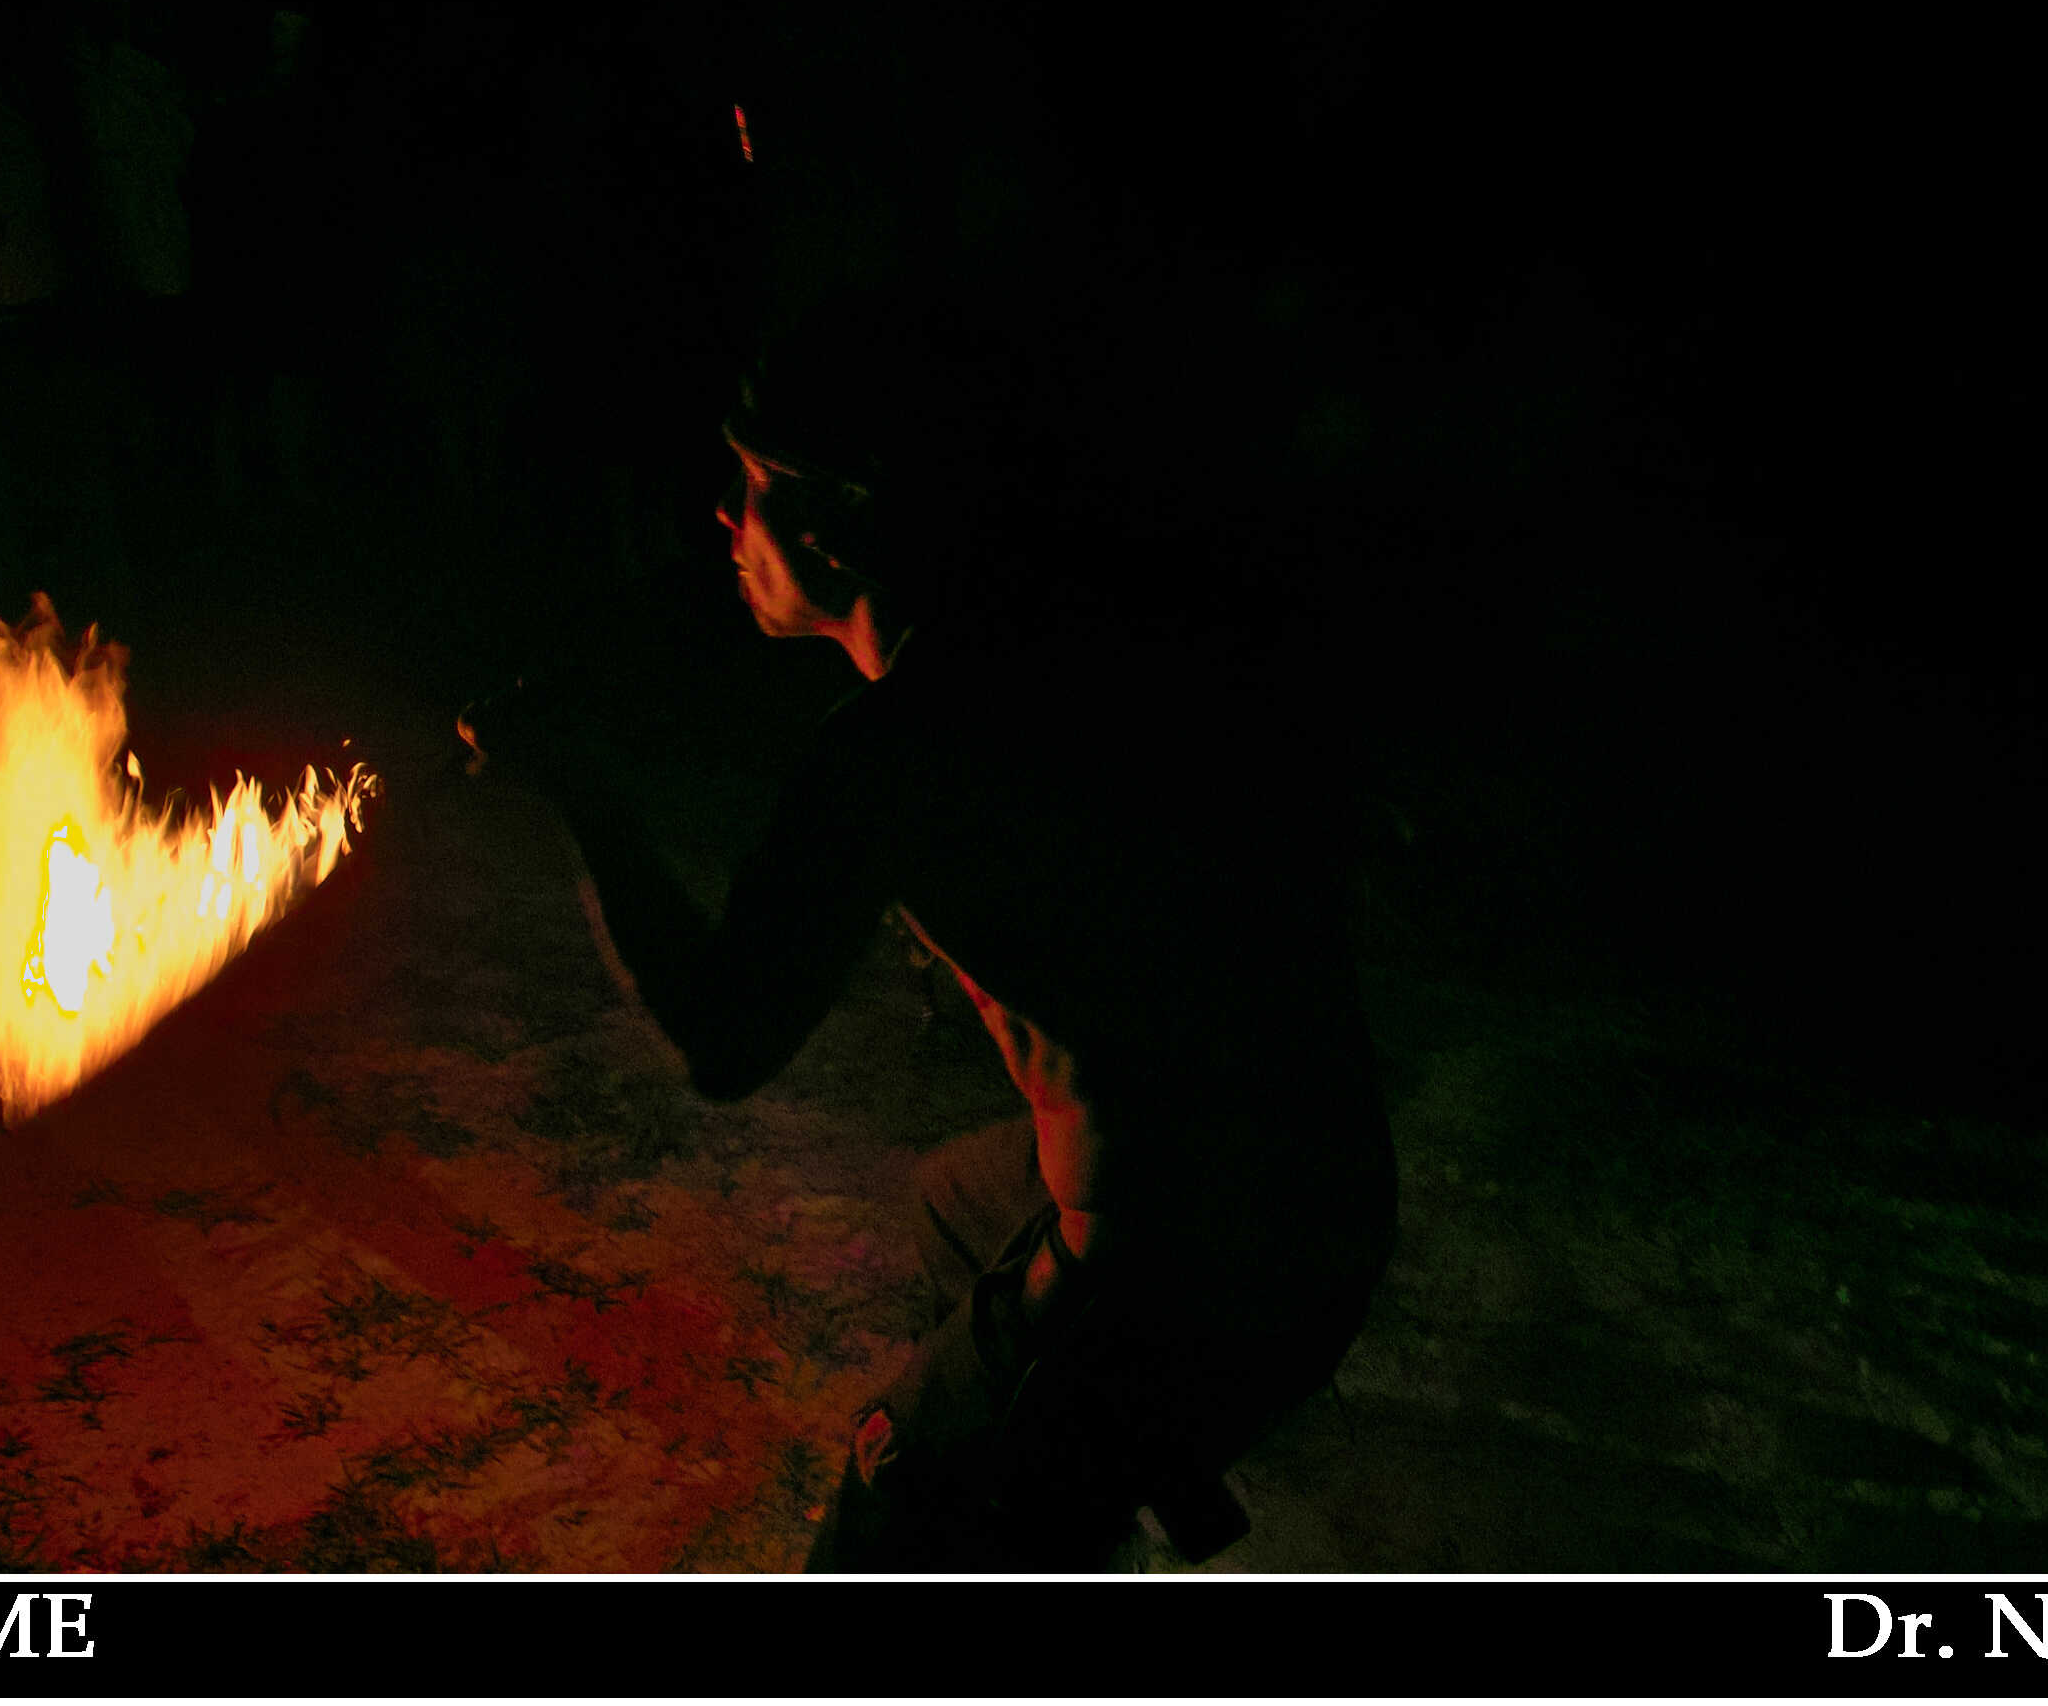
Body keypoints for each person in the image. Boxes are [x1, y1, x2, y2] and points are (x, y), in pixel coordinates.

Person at [460, 296, 1396, 1571]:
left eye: (754, 486)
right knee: (958, 1203)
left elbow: (727, 1035)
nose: (723, 518)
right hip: (1326, 1181)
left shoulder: (899, 747)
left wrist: (580, 786)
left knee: (891, 1501)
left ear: (841, 520)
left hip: (1205, 1256)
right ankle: (1076, 1479)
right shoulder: (1064, 635)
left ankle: (1068, 1457)